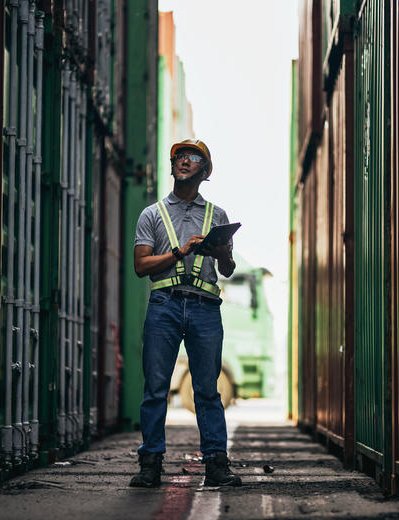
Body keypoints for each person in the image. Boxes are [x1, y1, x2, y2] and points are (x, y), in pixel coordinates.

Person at [129, 139, 242, 488]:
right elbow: (140, 265)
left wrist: (221, 252)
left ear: (204, 171)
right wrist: (180, 252)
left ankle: (217, 465)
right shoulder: (152, 214)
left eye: (193, 157)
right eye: (179, 156)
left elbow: (227, 269)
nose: (184, 160)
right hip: (164, 305)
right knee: (156, 388)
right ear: (173, 164)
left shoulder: (217, 216)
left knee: (207, 390)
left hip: (205, 307)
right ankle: (150, 464)